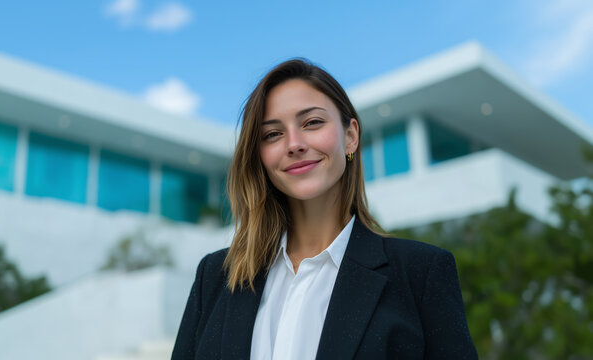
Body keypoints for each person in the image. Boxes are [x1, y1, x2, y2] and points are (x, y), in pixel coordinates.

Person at [171, 59, 477, 359]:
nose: (294, 144)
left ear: (351, 136)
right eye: (272, 134)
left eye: (312, 122)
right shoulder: (215, 277)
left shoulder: (420, 274)